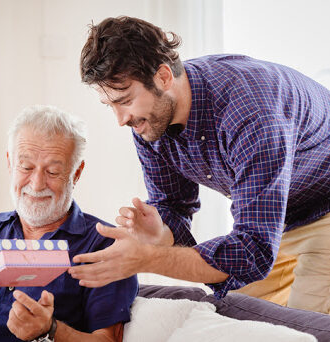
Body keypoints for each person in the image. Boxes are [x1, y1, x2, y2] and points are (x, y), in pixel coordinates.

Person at [69, 16, 330, 314]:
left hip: (324, 204)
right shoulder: (149, 124)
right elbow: (173, 206)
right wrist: (161, 235)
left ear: (164, 77)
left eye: (125, 100)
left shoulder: (250, 113)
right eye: (110, 105)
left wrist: (145, 258)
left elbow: (253, 249)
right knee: (242, 316)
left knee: (306, 324)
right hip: (276, 217)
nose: (120, 119)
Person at [0, 105, 138, 342]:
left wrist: (51, 329)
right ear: (10, 164)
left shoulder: (107, 246)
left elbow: (107, 340)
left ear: (76, 173)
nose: (37, 184)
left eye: (53, 171)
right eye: (26, 167)